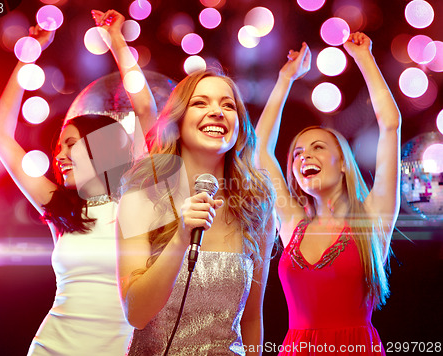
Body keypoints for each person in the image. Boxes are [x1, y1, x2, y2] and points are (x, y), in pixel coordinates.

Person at [0, 9, 157, 355]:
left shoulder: (135, 197)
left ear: (102, 148)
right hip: (52, 347)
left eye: (71, 144)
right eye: (57, 147)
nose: (59, 156)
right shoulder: (63, 211)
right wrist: (28, 56)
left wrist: (117, 40)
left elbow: (145, 111)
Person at [255, 32, 401, 355]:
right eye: (297, 153)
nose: (304, 156)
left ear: (345, 164)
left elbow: (389, 125)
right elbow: (260, 149)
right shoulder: (293, 224)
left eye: (318, 148)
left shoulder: (372, 219)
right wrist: (285, 78)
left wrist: (364, 58)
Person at [116, 69, 277, 355]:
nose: (217, 112)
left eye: (228, 105)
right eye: (200, 103)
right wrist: (180, 239)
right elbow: (136, 314)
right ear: (176, 122)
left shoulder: (257, 205)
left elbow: (252, 318)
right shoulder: (140, 198)